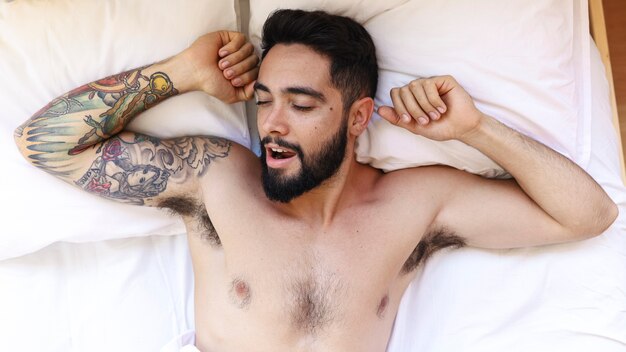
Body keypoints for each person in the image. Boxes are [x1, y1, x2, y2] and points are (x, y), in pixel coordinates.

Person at [14, 9, 617, 352]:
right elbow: (44, 142)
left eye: (302, 106)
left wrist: (475, 128)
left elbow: (588, 215)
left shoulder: (413, 204)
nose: (272, 125)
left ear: (357, 118)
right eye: (266, 99)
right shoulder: (219, 179)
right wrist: (181, 74)